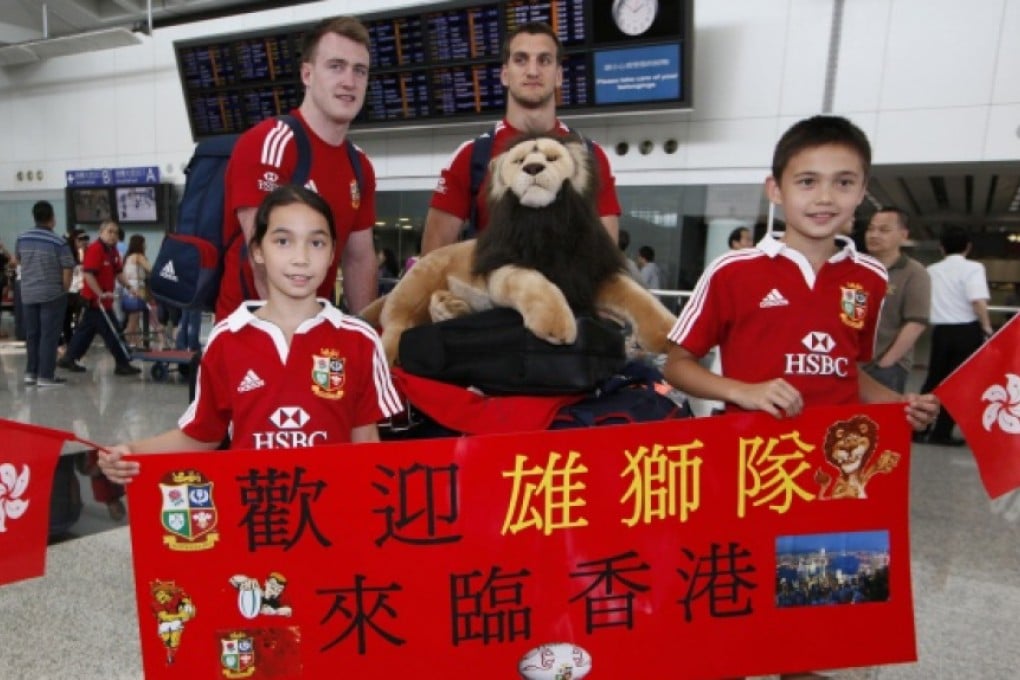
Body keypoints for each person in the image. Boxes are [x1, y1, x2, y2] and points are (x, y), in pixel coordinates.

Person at [98, 185, 402, 484]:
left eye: (317, 243)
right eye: (283, 241)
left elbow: (365, 442)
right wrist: (134, 451)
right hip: (256, 517)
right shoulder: (227, 339)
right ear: (258, 250)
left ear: (333, 252)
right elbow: (201, 437)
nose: (301, 257)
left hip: (330, 519)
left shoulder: (359, 339)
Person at [663, 115, 938, 431]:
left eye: (844, 183)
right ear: (776, 190)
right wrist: (742, 391)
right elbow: (677, 365)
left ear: (862, 191)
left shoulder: (871, 276)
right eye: (807, 181)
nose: (825, 198)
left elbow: (846, 370)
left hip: (835, 454)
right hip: (756, 456)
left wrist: (896, 402)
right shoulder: (733, 270)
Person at [215, 16, 378, 320]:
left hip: (312, 330)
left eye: (360, 71)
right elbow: (264, 258)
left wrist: (368, 337)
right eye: (336, 66)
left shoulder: (360, 166)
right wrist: (295, 338)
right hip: (250, 336)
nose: (349, 81)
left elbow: (359, 260)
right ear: (307, 74)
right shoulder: (270, 143)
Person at [421, 21, 621, 254]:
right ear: (505, 74)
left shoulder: (590, 156)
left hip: (569, 290)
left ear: (558, 76)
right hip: (493, 288)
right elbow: (433, 257)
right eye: (521, 59)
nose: (533, 71)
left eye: (544, 60)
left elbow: (607, 257)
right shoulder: (470, 156)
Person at [918, 226, 992, 446]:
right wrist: (987, 327)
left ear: (941, 248)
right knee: (959, 384)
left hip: (941, 332)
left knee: (933, 381)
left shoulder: (930, 270)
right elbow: (977, 300)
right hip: (967, 331)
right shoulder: (974, 268)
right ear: (968, 247)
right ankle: (942, 432)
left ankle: (918, 428)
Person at [57, 220, 142, 376]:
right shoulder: (95, 249)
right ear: (101, 232)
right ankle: (122, 363)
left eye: (115, 232)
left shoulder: (113, 251)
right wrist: (99, 293)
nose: (113, 235)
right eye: (109, 231)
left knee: (86, 332)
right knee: (113, 331)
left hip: (104, 301)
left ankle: (69, 358)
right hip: (96, 301)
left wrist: (130, 288)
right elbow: (88, 274)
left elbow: (118, 273)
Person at [861, 207, 931, 394]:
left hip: (887, 367)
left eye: (884, 230)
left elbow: (916, 323)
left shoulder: (914, 272)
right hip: (852, 365)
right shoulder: (857, 267)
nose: (874, 235)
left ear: (903, 235)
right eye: (871, 229)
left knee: (879, 422)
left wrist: (886, 363)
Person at [14, 201, 74, 387]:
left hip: (28, 293)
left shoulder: (22, 238)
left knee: (32, 334)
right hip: (51, 294)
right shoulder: (58, 241)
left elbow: (18, 261)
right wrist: (64, 289)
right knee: (49, 335)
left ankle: (31, 372)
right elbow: (67, 268)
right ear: (52, 218)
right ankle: (46, 375)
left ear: (34, 217)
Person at [121, 234, 152, 347]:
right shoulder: (139, 256)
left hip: (127, 289)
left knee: (132, 318)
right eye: (144, 243)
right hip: (137, 289)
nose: (145, 245)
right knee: (133, 321)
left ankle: (133, 342)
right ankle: (123, 341)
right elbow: (150, 268)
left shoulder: (128, 257)